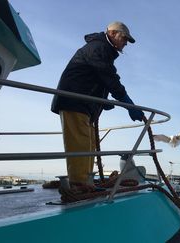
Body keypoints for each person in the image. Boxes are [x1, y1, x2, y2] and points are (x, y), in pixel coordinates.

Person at [51, 21, 144, 188]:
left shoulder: (101, 49)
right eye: (124, 39)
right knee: (80, 142)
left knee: (88, 143)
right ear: (113, 34)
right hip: (74, 101)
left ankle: (85, 181)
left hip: (83, 103)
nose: (125, 43)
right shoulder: (98, 48)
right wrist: (128, 102)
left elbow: (97, 78)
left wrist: (102, 101)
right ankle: (79, 185)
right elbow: (109, 78)